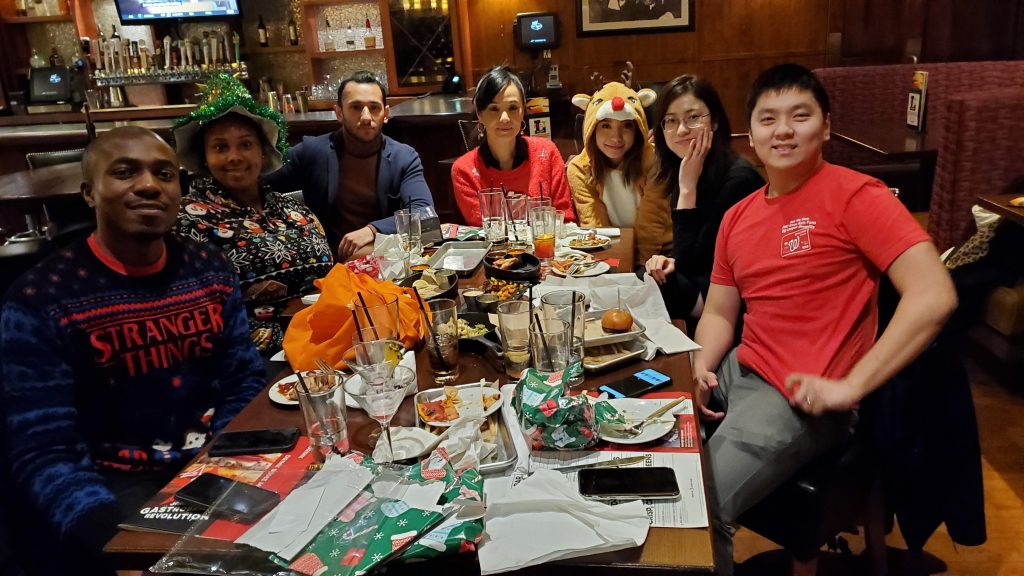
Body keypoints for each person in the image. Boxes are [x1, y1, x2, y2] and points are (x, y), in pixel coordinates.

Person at [693, 64, 957, 576]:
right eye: (768, 119)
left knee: (701, 506)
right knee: (651, 442)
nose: (783, 130)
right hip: (740, 370)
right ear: (752, 134)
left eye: (800, 116)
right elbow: (722, 312)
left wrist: (851, 385)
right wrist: (702, 366)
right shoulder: (737, 217)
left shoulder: (856, 195)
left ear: (827, 126)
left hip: (801, 396)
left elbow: (934, 294)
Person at [0, 126, 265, 575]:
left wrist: (229, 462)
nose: (148, 185)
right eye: (125, 172)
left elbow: (242, 379)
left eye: (164, 174)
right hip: (113, 485)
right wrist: (114, 545)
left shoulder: (210, 268)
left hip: (212, 464)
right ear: (89, 192)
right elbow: (43, 450)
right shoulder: (40, 299)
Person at [174, 73, 333, 314]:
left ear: (263, 150)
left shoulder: (295, 209)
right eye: (220, 147)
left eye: (246, 144)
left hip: (328, 327)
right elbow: (195, 311)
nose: (234, 157)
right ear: (204, 157)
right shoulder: (186, 221)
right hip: (252, 337)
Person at [265, 70, 434, 260]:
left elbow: (425, 214)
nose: (366, 117)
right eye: (356, 107)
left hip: (385, 260)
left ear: (385, 114)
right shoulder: (311, 151)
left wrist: (372, 230)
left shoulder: (404, 157)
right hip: (326, 262)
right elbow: (258, 184)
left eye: (374, 108)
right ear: (339, 112)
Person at [644, 75, 764, 324]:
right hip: (704, 283)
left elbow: (694, 266)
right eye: (671, 120)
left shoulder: (738, 180)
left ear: (715, 121)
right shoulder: (687, 169)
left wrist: (687, 189)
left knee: (659, 288)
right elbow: (688, 258)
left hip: (736, 297)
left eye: (693, 117)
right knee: (647, 277)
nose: (681, 130)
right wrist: (666, 262)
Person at [451, 65, 576, 226]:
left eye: (513, 108)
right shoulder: (464, 170)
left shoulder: (547, 152)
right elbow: (482, 232)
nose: (505, 118)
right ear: (480, 114)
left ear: (523, 111)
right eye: (494, 109)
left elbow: (565, 220)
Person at [568, 81, 670, 265]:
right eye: (606, 126)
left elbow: (652, 223)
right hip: (613, 253)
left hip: (660, 252)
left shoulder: (654, 161)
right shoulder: (580, 168)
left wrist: (641, 267)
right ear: (592, 128)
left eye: (627, 126)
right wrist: (610, 265)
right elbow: (595, 225)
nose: (616, 137)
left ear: (638, 128)